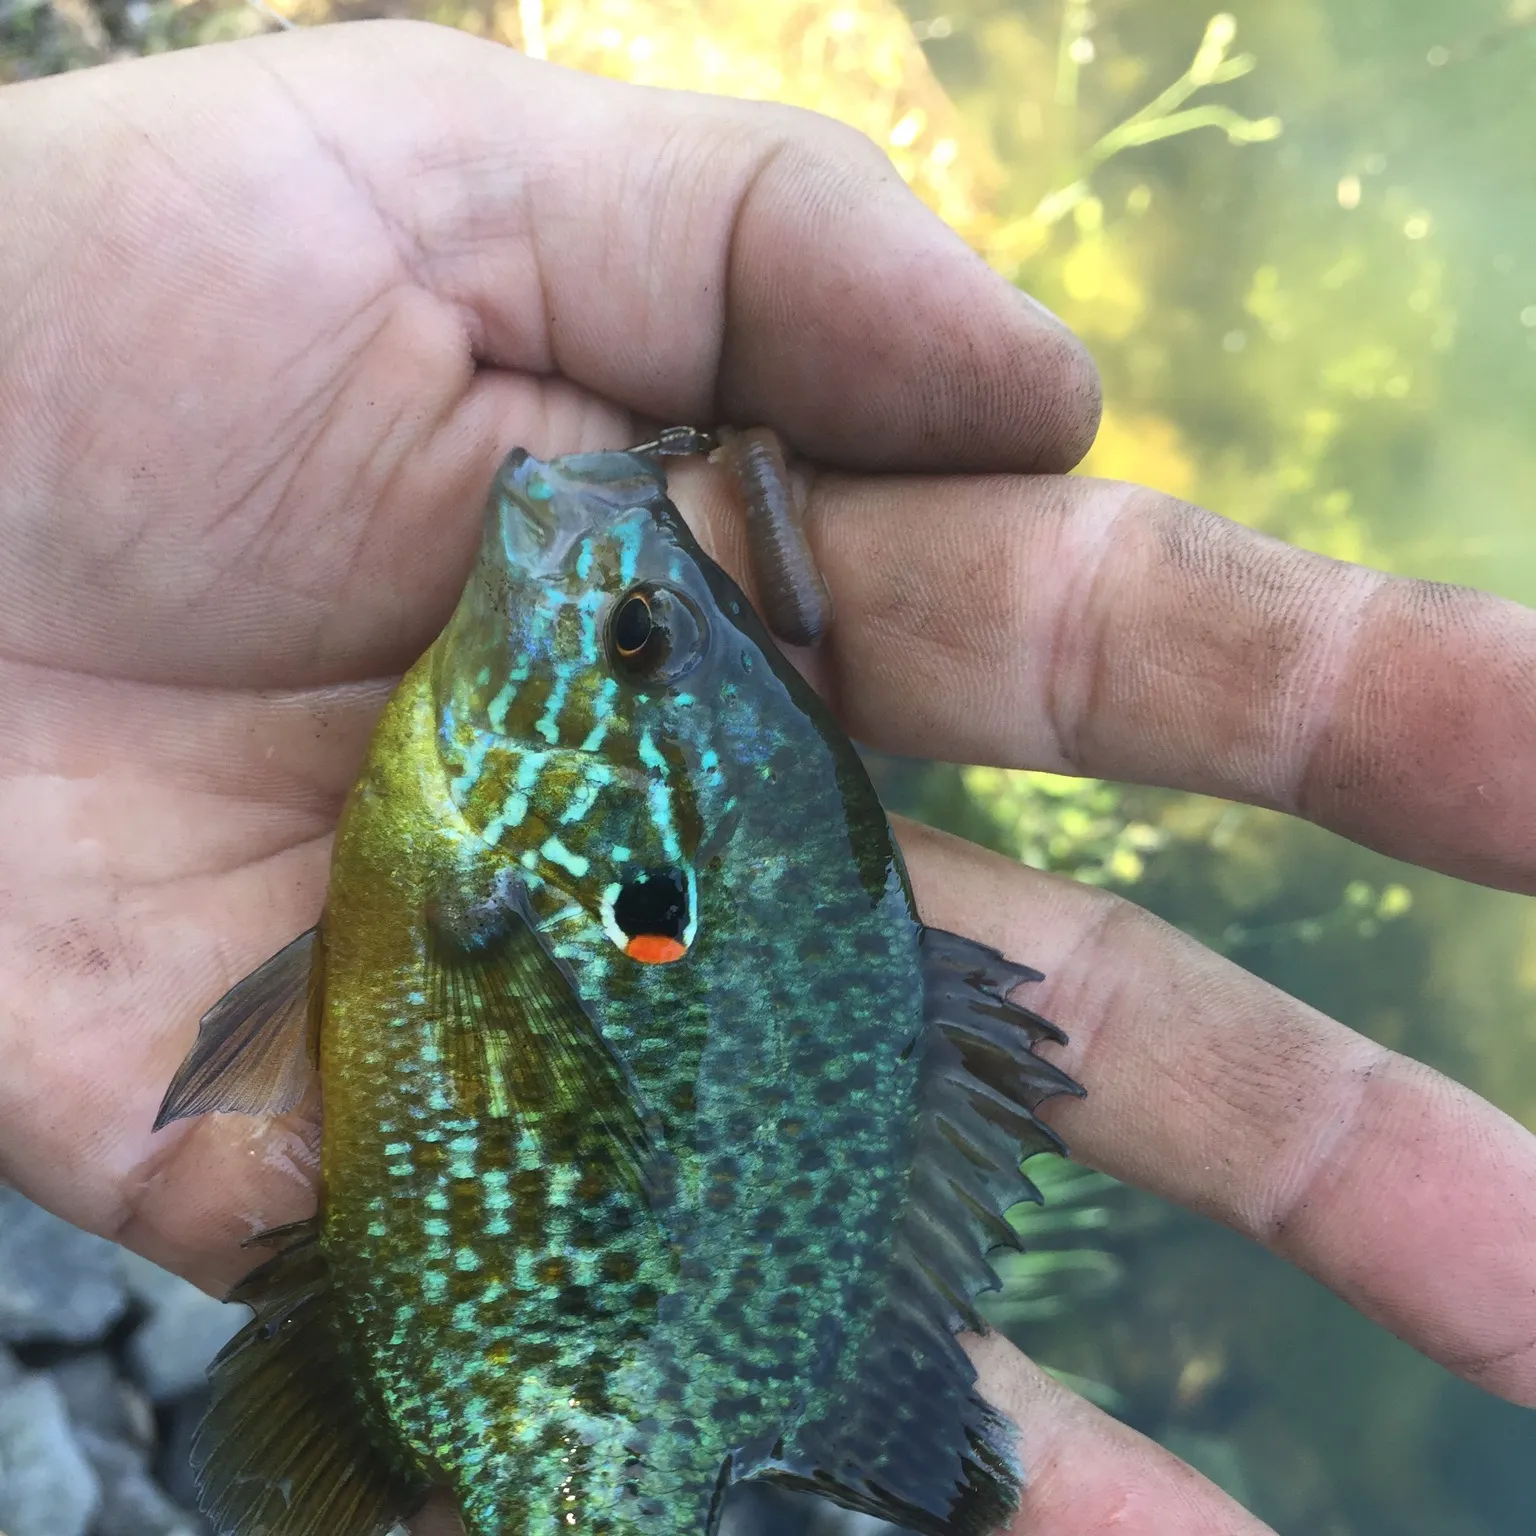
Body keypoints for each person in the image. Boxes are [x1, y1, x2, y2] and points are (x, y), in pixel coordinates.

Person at [1, 20, 1532, 1536]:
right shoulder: (485, 880)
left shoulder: (474, 883)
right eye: (651, 631)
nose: (606, 542)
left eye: (634, 633)